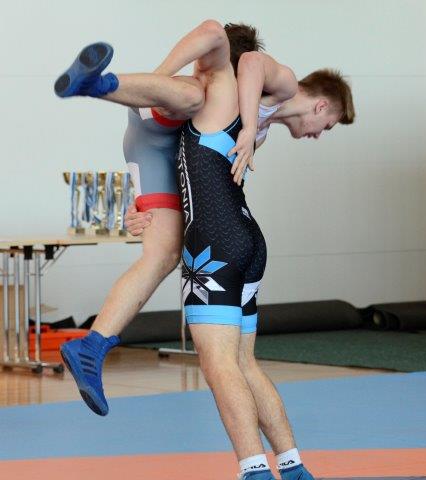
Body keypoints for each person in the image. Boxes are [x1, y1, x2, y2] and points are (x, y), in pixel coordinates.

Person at [57, 20, 355, 480]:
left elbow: (233, 54)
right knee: (241, 360)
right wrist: (144, 205)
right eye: (327, 126)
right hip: (244, 236)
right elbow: (239, 57)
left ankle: (255, 471)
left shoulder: (240, 103)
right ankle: (292, 468)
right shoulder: (245, 102)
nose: (319, 134)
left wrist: (243, 121)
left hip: (214, 241)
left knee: (218, 364)